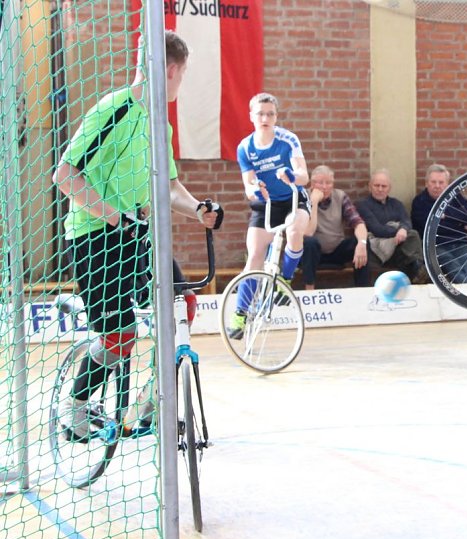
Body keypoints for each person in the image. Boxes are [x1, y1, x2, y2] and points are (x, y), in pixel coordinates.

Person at [53, 30, 224, 440]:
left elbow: (167, 185)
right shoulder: (113, 109)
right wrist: (113, 217)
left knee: (181, 302)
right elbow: (64, 176)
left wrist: (198, 208)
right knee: (120, 335)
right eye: (181, 76)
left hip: (137, 238)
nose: (179, 85)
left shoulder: (159, 125)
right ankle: (74, 408)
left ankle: (148, 405)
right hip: (94, 237)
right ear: (169, 70)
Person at [225, 92, 310, 339]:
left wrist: (291, 176)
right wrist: (255, 190)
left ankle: (286, 279)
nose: (265, 118)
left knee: (295, 231)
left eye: (270, 114)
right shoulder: (245, 147)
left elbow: (304, 175)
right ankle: (240, 314)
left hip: (294, 198)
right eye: (260, 113)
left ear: (276, 116)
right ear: (251, 116)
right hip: (267, 204)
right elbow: (248, 186)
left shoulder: (288, 139)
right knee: (254, 255)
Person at [411, 164, 467, 283]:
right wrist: (456, 220)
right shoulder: (419, 202)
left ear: (447, 184)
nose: (437, 186)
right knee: (454, 267)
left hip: (458, 242)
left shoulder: (455, 197)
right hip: (436, 246)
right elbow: (426, 225)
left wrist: (445, 215)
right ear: (426, 183)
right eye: (433, 182)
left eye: (441, 182)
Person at [302, 165, 371, 289]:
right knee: (309, 243)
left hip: (336, 250)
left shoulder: (340, 196)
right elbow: (308, 232)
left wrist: (362, 242)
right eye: (320, 183)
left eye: (328, 183)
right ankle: (309, 292)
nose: (324, 187)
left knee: (362, 242)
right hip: (311, 254)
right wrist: (314, 203)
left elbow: (358, 222)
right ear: (312, 184)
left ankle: (363, 289)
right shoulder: (302, 197)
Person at [356, 168, 427, 283]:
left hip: (397, 249)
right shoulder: (363, 205)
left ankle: (418, 270)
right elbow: (377, 229)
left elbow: (407, 221)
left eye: (384, 186)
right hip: (377, 250)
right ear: (370, 186)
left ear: (389, 188)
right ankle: (419, 269)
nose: (380, 189)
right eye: (376, 185)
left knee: (411, 236)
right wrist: (399, 230)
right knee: (411, 235)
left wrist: (403, 229)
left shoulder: (396, 204)